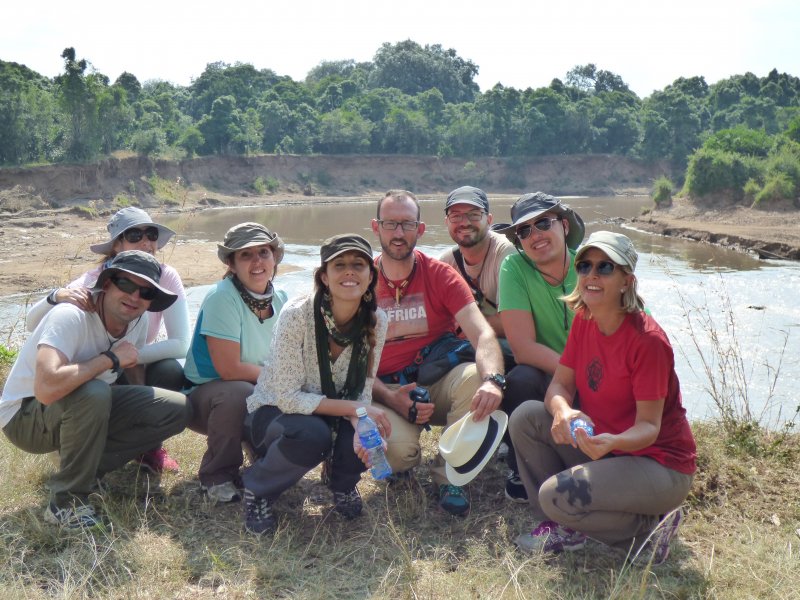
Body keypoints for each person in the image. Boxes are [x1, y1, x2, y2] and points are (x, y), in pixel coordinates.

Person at [509, 231, 697, 565]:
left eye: (605, 267)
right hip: (606, 449)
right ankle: (563, 524)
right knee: (526, 416)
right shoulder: (585, 320)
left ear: (627, 280)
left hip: (658, 465)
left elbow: (649, 428)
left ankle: (648, 530)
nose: (591, 275)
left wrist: (612, 443)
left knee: (555, 496)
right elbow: (560, 386)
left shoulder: (648, 341)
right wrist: (563, 411)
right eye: (584, 266)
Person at [1, 250, 190, 529]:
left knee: (176, 408)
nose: (135, 297)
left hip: (81, 404)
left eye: (146, 292)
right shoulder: (70, 316)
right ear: (107, 283)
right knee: (94, 393)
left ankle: (86, 471)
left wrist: (140, 410)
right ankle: (66, 504)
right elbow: (45, 388)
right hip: (24, 417)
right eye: (126, 284)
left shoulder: (135, 321)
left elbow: (132, 369)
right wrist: (109, 360)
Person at [241, 234, 390, 534]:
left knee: (366, 432)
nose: (349, 271)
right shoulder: (297, 315)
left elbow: (364, 386)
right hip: (273, 413)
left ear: (370, 276)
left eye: (358, 265)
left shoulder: (378, 321)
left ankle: (341, 484)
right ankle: (257, 488)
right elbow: (287, 398)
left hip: (329, 411)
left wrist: (360, 421)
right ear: (324, 276)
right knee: (313, 434)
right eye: (340, 265)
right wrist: (358, 409)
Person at [370, 189, 505, 516]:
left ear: (421, 229)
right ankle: (399, 468)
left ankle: (450, 475)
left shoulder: (441, 275)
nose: (399, 234)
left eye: (407, 224)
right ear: (376, 228)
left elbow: (482, 333)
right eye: (390, 224)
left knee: (475, 376)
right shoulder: (361, 280)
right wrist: (390, 398)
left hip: (436, 380)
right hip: (385, 388)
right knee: (400, 455)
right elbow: (346, 363)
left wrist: (493, 380)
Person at [25, 206, 189, 474]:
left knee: (170, 369)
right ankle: (79, 452)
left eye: (151, 234)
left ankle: (147, 448)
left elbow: (181, 343)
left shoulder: (165, 276)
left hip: (125, 363)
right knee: (97, 391)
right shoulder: (93, 280)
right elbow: (36, 324)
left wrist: (128, 355)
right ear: (116, 245)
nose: (146, 242)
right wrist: (56, 296)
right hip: (93, 373)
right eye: (135, 235)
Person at [184, 222, 287, 503]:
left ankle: (262, 459)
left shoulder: (282, 299)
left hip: (258, 387)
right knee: (239, 392)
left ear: (275, 257)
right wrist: (282, 382)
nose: (257, 262)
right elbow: (229, 370)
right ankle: (217, 475)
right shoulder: (222, 297)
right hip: (209, 398)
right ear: (231, 263)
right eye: (245, 255)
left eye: (264, 252)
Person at [495, 192, 585, 503]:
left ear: (563, 225)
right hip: (552, 371)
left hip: (597, 373)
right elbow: (523, 348)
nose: (535, 236)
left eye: (543, 223)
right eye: (524, 231)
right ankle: (520, 466)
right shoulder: (515, 267)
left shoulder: (592, 264)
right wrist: (573, 375)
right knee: (519, 378)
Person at [438, 186, 515, 338]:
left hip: (508, 345)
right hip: (470, 341)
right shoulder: (447, 262)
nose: (465, 223)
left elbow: (512, 323)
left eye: (474, 215)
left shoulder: (506, 253)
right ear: (447, 222)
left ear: (489, 220)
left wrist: (461, 324)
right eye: (456, 216)